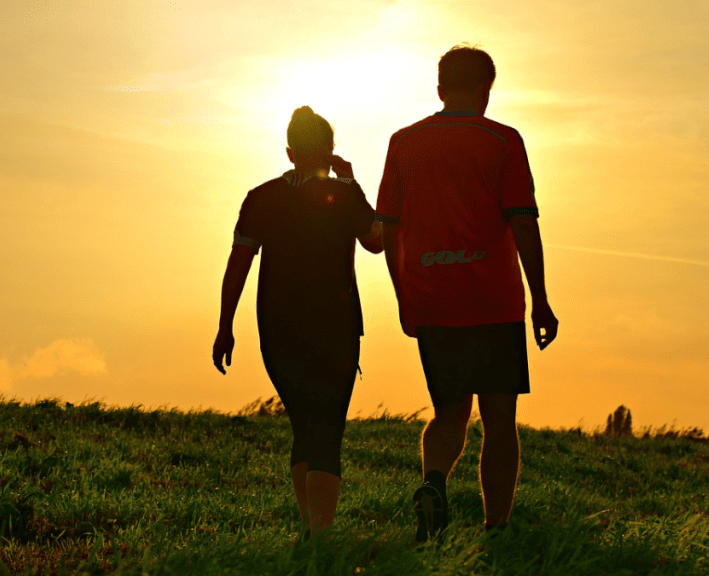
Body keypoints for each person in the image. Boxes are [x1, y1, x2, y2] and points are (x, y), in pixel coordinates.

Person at [375, 44, 559, 542]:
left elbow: (388, 230)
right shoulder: (503, 142)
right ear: (487, 89)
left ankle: (434, 483)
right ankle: (495, 528)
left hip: (432, 298)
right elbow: (523, 223)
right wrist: (540, 299)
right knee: (499, 418)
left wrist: (402, 294)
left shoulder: (403, 143)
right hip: (493, 302)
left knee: (449, 411)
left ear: (439, 89)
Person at [212, 106, 383, 537]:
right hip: (337, 325)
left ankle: (311, 530)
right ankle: (319, 537)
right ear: (330, 151)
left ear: (290, 153)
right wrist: (353, 182)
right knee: (327, 427)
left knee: (305, 425)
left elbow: (239, 262)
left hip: (276, 327)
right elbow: (377, 242)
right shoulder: (345, 194)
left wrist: (224, 325)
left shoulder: (261, 197)